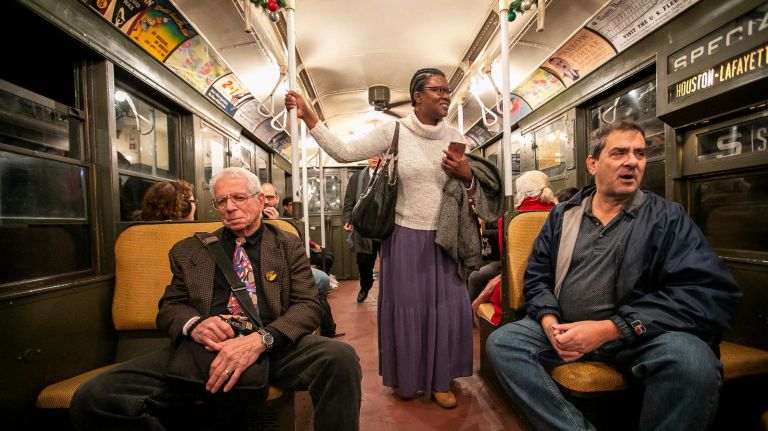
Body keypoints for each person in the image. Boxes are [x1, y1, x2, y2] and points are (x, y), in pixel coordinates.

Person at [486, 121, 741, 430]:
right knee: (503, 343)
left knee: (692, 362)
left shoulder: (667, 218)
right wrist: (549, 320)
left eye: (640, 154)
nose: (632, 161)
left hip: (640, 335)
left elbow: (708, 293)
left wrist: (612, 328)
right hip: (565, 326)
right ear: (592, 163)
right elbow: (538, 277)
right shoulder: (563, 215)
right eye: (619, 152)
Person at [70, 167, 361, 431]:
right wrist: (195, 324)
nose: (230, 207)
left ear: (260, 201)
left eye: (238, 197)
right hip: (203, 350)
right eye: (221, 201)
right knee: (94, 397)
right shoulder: (190, 251)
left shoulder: (287, 245)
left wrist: (260, 341)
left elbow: (308, 305)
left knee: (340, 358)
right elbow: (170, 307)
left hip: (272, 346)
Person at [286, 68, 502, 409]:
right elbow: (342, 152)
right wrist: (310, 117)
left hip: (447, 238)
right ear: (417, 95)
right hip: (404, 236)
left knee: (446, 310)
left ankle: (441, 379)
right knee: (408, 309)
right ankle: (409, 376)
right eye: (437, 90)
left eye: (448, 90)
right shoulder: (395, 131)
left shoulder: (457, 136)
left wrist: (467, 175)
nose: (446, 95)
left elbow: (475, 195)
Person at [471, 170, 557, 324]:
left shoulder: (512, 220)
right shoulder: (561, 213)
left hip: (517, 285)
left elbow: (506, 261)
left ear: (522, 193)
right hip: (555, 283)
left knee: (478, 276)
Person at [260, 182, 341, 336]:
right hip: (265, 267)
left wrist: (278, 223)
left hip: (286, 265)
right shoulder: (252, 219)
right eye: (262, 197)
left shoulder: (286, 222)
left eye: (270, 198)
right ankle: (327, 329)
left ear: (276, 200)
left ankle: (325, 329)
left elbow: (297, 244)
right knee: (318, 282)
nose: (265, 202)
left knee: (321, 280)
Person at [343, 155, 383, 303]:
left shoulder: (390, 176)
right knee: (364, 263)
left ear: (385, 158)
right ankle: (365, 285)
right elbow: (349, 201)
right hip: (363, 228)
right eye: (371, 155)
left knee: (390, 262)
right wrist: (348, 219)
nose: (375, 158)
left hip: (384, 227)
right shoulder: (356, 178)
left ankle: (389, 292)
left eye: (379, 155)